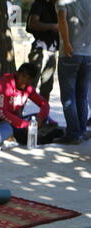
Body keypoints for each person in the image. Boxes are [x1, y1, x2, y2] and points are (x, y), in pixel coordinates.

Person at [55, 0, 91, 144]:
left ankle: (73, 134)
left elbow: (62, 20)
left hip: (69, 54)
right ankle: (81, 132)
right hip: (88, 55)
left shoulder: (63, 1)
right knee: (81, 96)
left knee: (68, 97)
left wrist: (67, 43)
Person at [0, 63, 54, 145]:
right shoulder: (5, 84)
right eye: (23, 76)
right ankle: (33, 137)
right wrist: (25, 124)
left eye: (29, 78)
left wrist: (40, 118)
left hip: (18, 121)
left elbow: (44, 104)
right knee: (22, 131)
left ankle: (32, 136)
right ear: (17, 74)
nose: (25, 80)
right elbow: (2, 112)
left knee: (43, 118)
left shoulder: (28, 88)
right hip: (1, 122)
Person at [26, 0, 59, 102]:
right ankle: (18, 113)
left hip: (53, 51)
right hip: (40, 49)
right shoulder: (39, 4)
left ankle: (43, 115)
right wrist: (53, 26)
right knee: (29, 84)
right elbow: (32, 24)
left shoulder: (58, 7)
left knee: (47, 87)